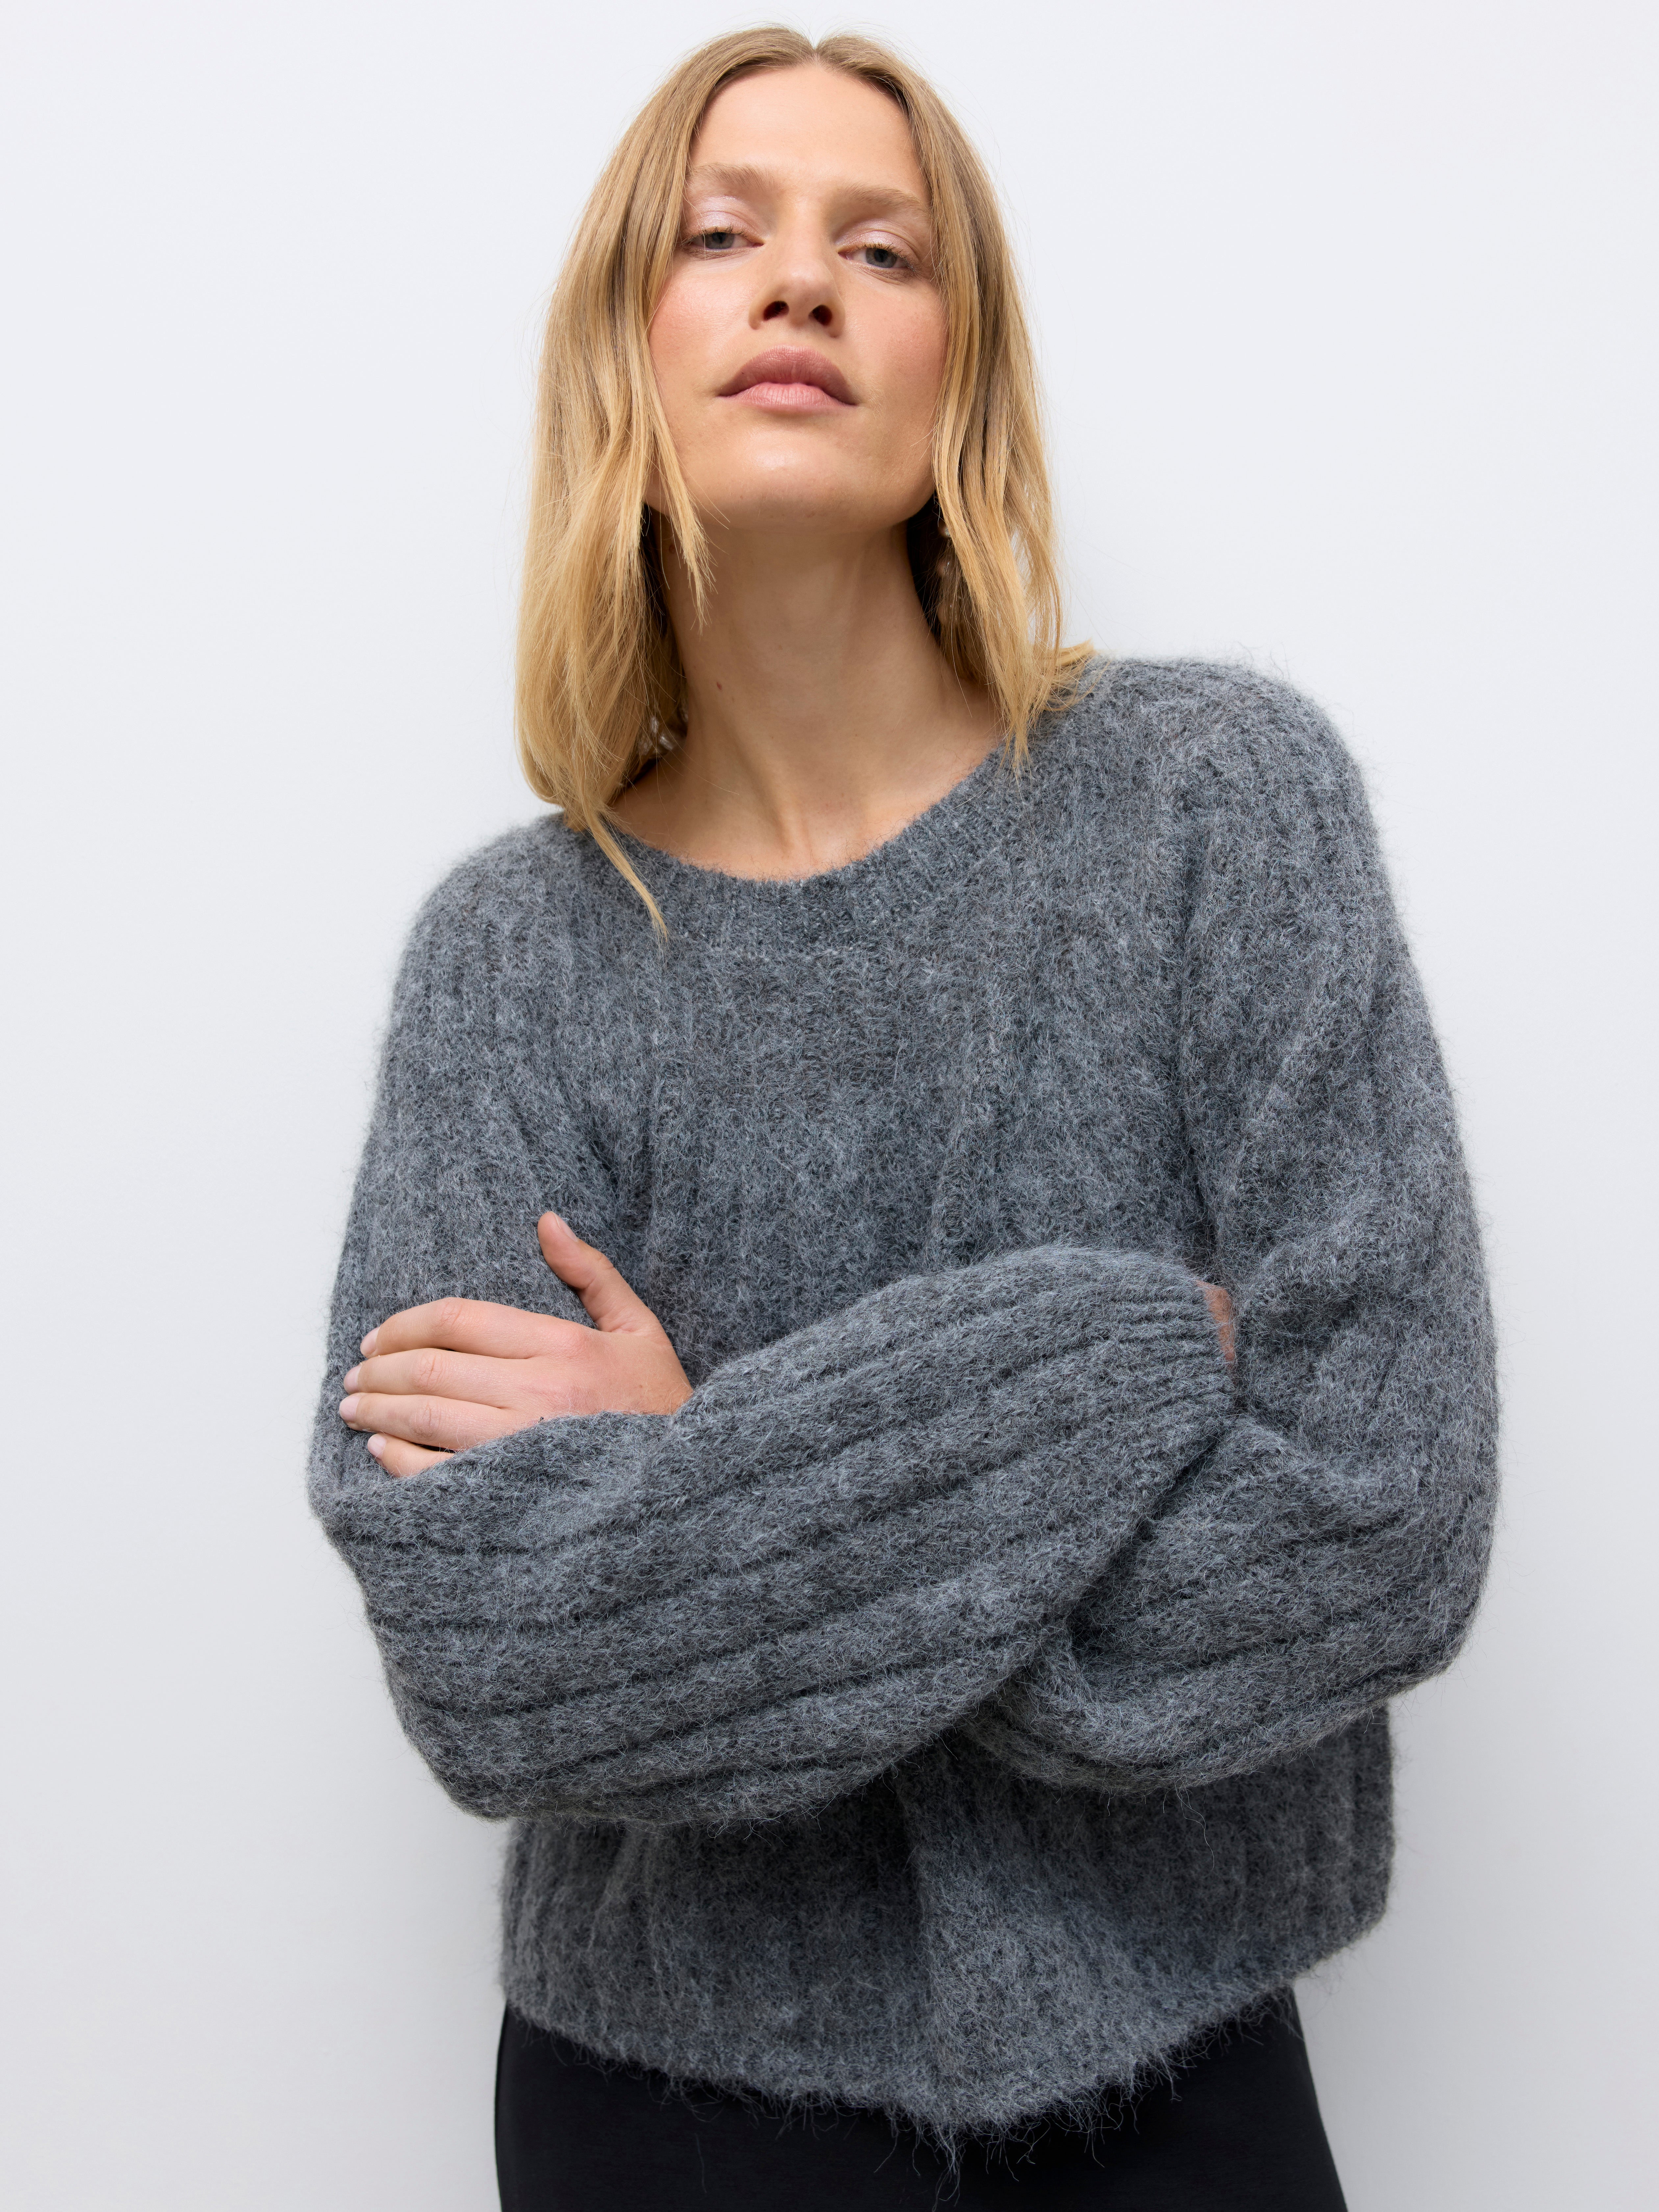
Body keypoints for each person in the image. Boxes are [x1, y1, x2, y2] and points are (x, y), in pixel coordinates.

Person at [310, 28, 1498, 2210]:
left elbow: (1380, 1520)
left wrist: (702, 1459)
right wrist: (1124, 1354)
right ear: (622, 343)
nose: (801, 282)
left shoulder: (1215, 810)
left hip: (1180, 2068)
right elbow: (489, 1665)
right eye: (720, 234)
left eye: (882, 247)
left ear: (965, 366)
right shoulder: (509, 956)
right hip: (657, 2108)